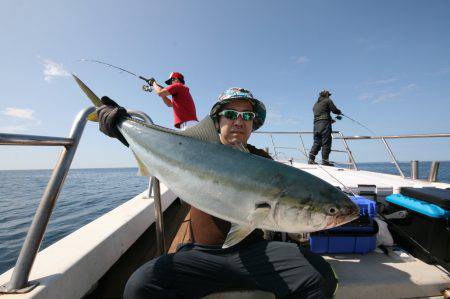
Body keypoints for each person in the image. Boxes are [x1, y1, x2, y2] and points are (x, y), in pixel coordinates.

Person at [96, 87, 338, 299]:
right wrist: (122, 129)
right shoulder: (192, 151)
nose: (239, 121)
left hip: (254, 252)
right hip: (202, 256)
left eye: (247, 116)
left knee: (320, 275)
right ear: (216, 121)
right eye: (231, 115)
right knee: (141, 285)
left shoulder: (263, 161)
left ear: (253, 124)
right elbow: (165, 153)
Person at [308, 90, 342, 166]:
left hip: (316, 125)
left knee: (316, 142)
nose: (329, 96)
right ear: (326, 95)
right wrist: (339, 112)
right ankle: (325, 161)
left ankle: (311, 159)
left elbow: (320, 115)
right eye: (328, 95)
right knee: (326, 142)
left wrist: (329, 119)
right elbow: (334, 110)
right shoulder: (328, 100)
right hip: (325, 125)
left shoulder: (315, 105)